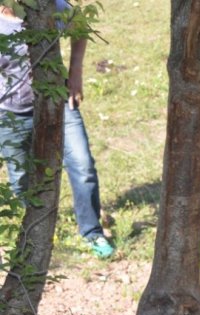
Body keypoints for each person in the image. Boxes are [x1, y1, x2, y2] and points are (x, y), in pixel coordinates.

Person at [0, 1, 114, 258]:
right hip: (10, 112)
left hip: (57, 102)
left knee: (83, 166)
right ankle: (38, 235)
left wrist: (75, 74)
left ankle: (92, 232)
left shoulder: (49, 7)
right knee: (21, 180)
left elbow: (80, 26)